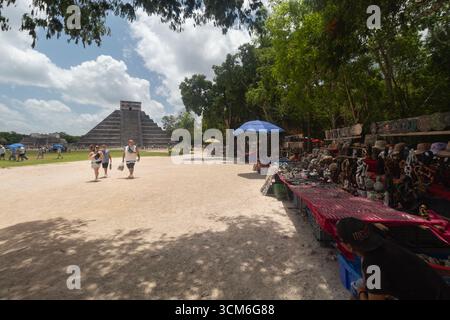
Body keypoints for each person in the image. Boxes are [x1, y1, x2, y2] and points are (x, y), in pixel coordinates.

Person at [336, 217, 450, 300]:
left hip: (433, 295)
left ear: (349, 246)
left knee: (357, 289)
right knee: (359, 284)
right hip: (436, 290)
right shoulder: (381, 244)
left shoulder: (372, 264)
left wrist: (361, 293)